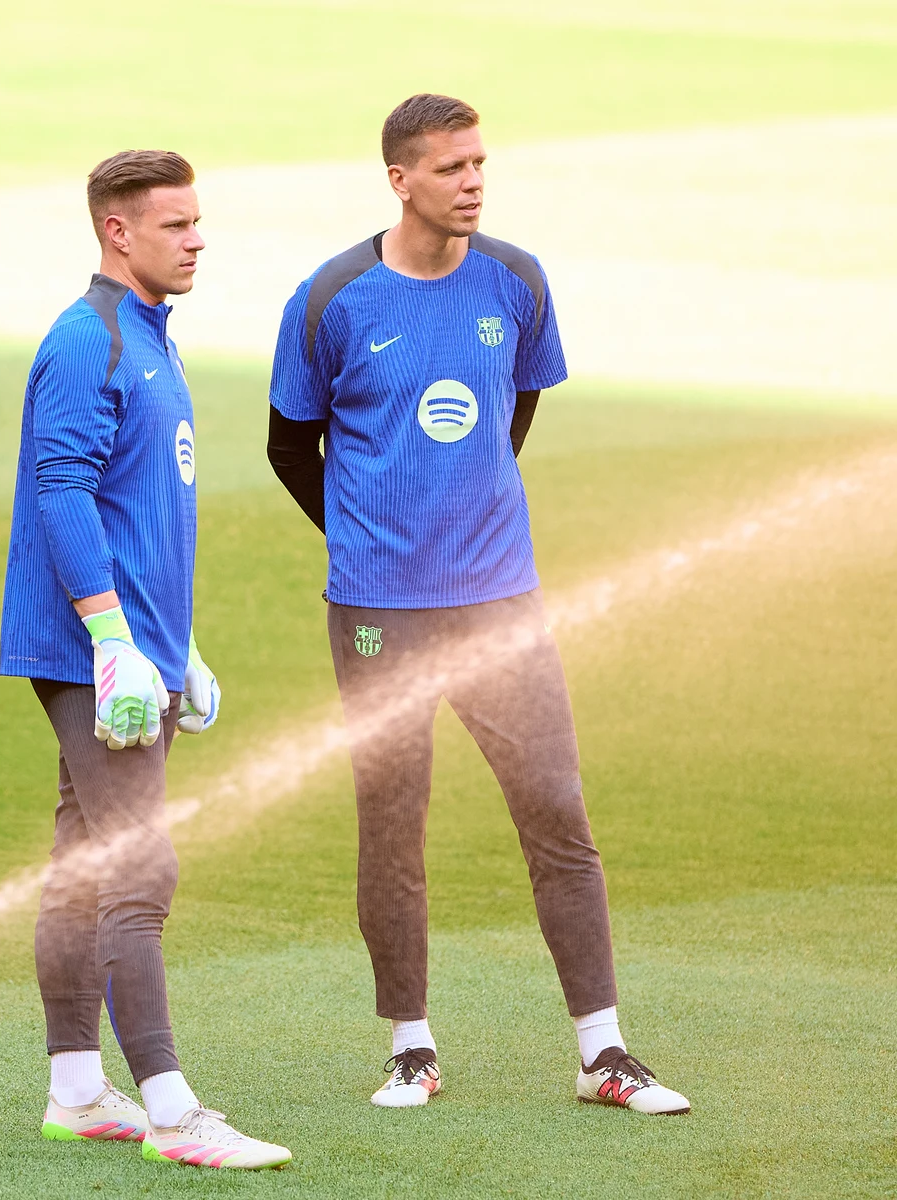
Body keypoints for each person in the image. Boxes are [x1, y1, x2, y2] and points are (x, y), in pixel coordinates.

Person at [267, 95, 690, 1116]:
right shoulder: (331, 299)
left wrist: (466, 529)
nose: (473, 182)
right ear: (400, 180)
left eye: (479, 164)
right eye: (451, 167)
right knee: (393, 825)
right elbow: (288, 445)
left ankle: (603, 1051)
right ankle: (410, 1047)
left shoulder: (517, 281)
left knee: (557, 810)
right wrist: (366, 535)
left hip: (503, 604)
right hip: (378, 612)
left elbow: (515, 411)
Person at [0, 149, 291, 1169]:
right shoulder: (89, 341)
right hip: (92, 649)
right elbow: (63, 492)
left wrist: (178, 645)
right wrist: (113, 637)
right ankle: (171, 1112)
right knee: (139, 864)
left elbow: (140, 510)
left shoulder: (153, 338)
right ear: (117, 232)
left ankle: (80, 1093)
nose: (198, 239)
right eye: (176, 224)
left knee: (85, 862)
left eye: (198, 221)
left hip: (133, 644)